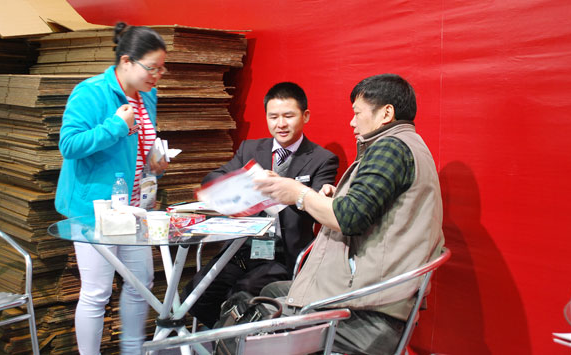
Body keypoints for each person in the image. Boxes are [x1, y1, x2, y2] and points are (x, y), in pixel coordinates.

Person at [255, 74, 445, 355]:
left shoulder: (390, 147)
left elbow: (349, 218)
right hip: (372, 294)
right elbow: (367, 208)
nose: (352, 122)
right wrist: (334, 198)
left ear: (386, 113)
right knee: (269, 292)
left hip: (367, 311)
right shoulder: (408, 145)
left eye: (357, 113)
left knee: (251, 313)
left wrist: (298, 193)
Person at [183, 82, 339, 328]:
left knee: (241, 297)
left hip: (282, 256)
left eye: (288, 116)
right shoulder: (251, 149)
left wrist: (291, 190)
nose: (281, 124)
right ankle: (229, 339)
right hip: (240, 250)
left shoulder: (322, 159)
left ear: (305, 116)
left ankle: (234, 337)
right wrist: (245, 181)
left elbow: (318, 203)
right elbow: (213, 179)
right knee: (195, 295)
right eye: (273, 117)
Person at [55, 23, 169, 355]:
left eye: (162, 68)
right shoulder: (91, 92)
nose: (157, 75)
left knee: (140, 284)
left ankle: (132, 351)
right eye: (152, 68)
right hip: (96, 210)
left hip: (135, 207)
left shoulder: (147, 94)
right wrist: (116, 126)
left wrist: (154, 159)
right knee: (97, 291)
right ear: (126, 61)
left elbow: (140, 144)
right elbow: (69, 145)